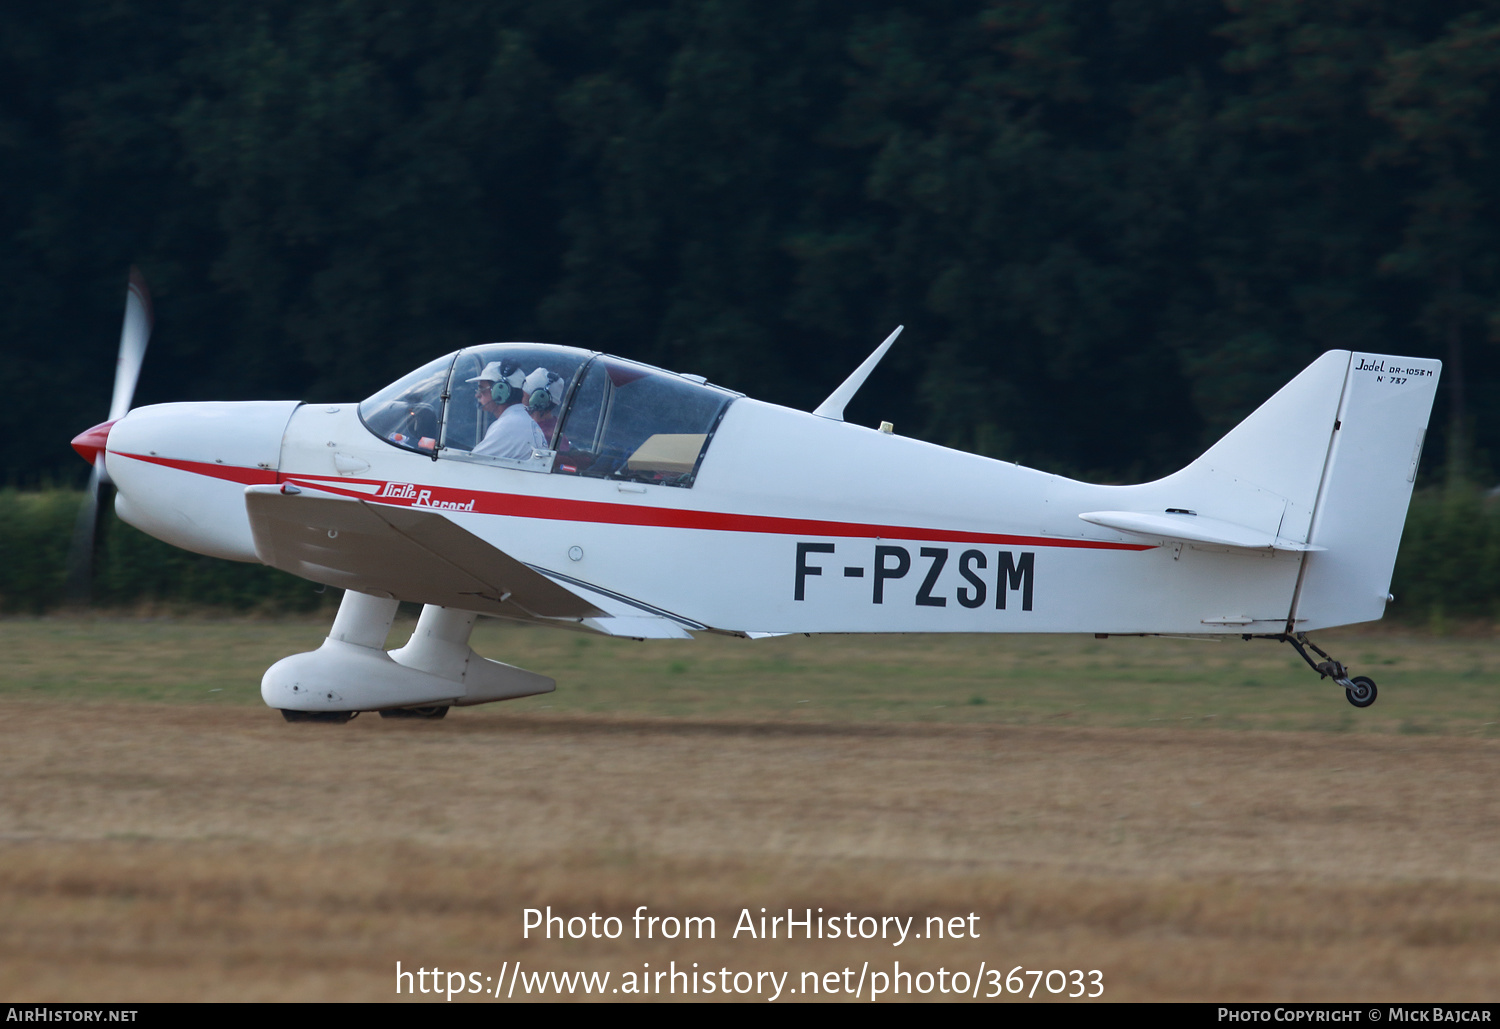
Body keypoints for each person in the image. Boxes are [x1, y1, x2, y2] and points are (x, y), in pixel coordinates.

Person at [469, 361, 546, 459]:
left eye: (481, 388)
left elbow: (471, 462)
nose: (477, 395)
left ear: (500, 390)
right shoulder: (520, 419)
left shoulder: (507, 426)